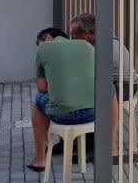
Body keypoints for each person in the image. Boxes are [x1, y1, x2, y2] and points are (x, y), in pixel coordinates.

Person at [68, 13, 137, 160]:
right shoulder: (102, 41)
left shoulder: (103, 47)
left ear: (86, 34)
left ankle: (95, 147)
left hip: (124, 86)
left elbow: (89, 76)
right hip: (116, 83)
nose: (72, 38)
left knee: (85, 100)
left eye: (74, 35)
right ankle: (78, 142)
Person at [27, 27, 95, 172]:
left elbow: (42, 87)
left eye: (39, 43)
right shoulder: (86, 45)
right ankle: (113, 148)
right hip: (94, 114)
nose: (39, 47)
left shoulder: (43, 49)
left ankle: (40, 159)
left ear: (47, 37)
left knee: (38, 99)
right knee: (109, 89)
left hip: (64, 116)